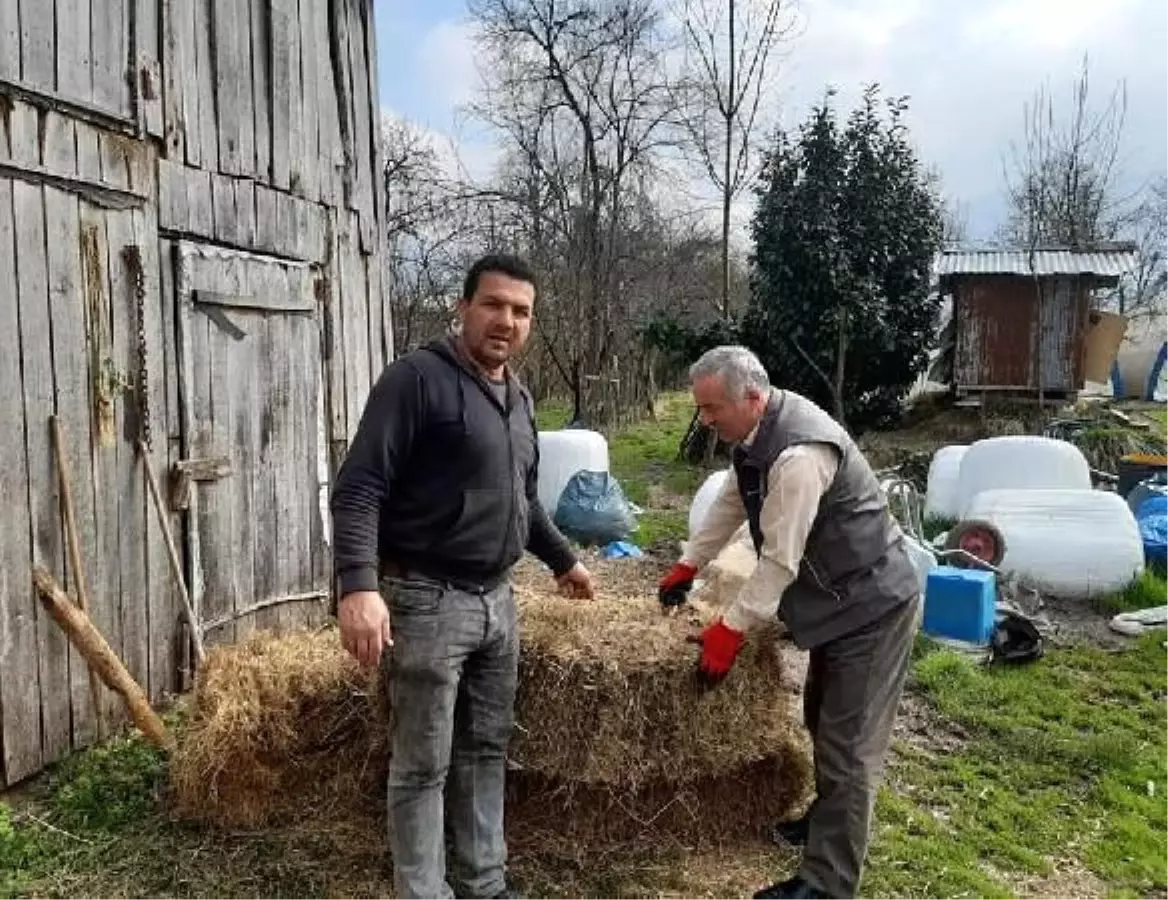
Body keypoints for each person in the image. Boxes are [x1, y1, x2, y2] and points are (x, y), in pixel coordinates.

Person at [330, 253, 595, 900]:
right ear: (463, 306)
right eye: (494, 304)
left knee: (485, 751)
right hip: (425, 598)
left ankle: (484, 883)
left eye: (521, 310)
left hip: (497, 602)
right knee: (423, 763)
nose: (506, 320)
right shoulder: (416, 380)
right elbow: (360, 486)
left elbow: (522, 499)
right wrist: (358, 586)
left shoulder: (520, 397)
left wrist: (563, 560)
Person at [658, 346, 920, 900]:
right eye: (700, 408)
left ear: (752, 398)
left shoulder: (799, 455)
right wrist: (690, 560)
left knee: (849, 748)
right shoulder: (754, 436)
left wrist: (730, 628)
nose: (705, 420)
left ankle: (828, 883)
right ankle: (827, 825)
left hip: (871, 604)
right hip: (837, 602)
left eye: (712, 409)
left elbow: (780, 558)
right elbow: (733, 501)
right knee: (821, 716)